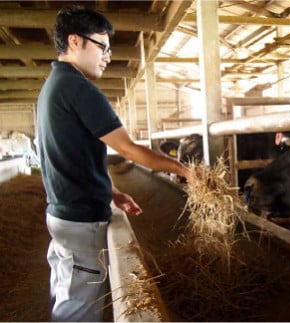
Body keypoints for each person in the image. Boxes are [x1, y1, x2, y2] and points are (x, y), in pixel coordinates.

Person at [36, 6, 194, 322]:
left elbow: (73, 157)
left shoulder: (55, 85)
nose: (108, 56)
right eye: (102, 46)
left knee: (69, 292)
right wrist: (188, 172)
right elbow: (129, 149)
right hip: (80, 221)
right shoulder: (78, 88)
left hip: (65, 215)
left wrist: (111, 192)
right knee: (78, 310)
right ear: (75, 41)